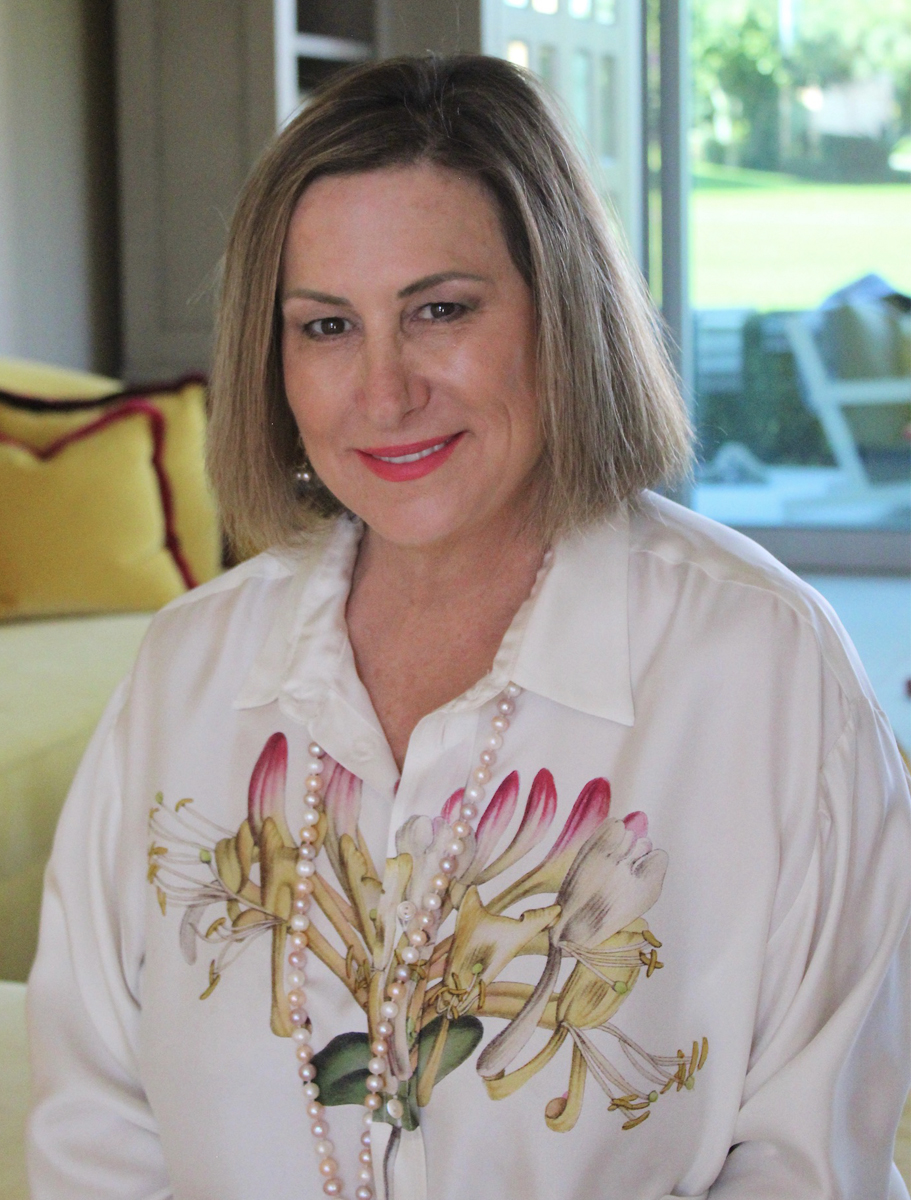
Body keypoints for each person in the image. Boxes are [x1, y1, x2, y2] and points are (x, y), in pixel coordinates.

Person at [27, 54, 910, 1200]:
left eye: (439, 310)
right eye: (326, 326)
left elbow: (808, 1163)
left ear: (562, 314)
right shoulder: (186, 668)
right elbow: (94, 1123)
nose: (384, 392)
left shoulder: (763, 671)